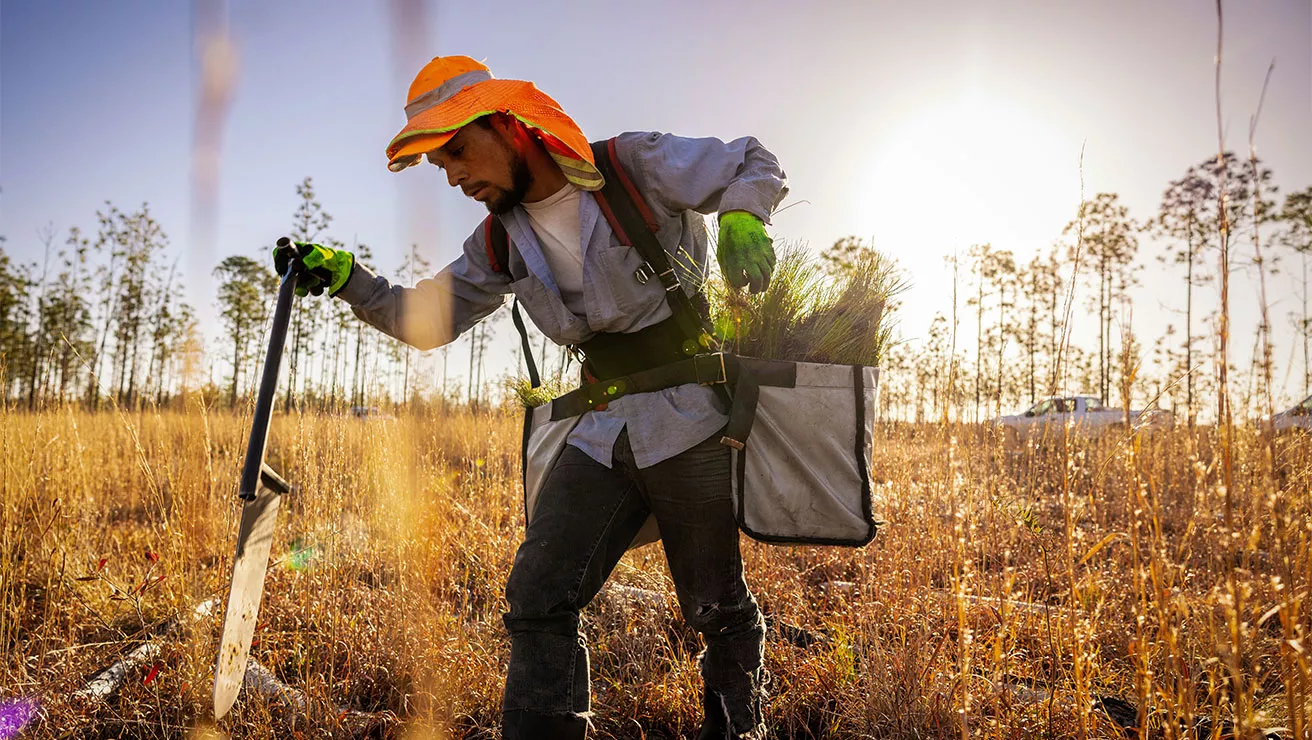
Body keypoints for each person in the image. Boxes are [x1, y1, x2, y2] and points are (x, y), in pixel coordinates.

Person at [274, 55, 787, 739]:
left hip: (691, 418)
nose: (455, 177)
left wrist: (743, 219)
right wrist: (348, 279)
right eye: (441, 167)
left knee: (716, 607)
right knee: (538, 595)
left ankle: (739, 729)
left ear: (511, 127)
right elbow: (425, 324)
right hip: (601, 430)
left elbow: (752, 160)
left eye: (458, 151)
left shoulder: (631, 166)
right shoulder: (497, 239)